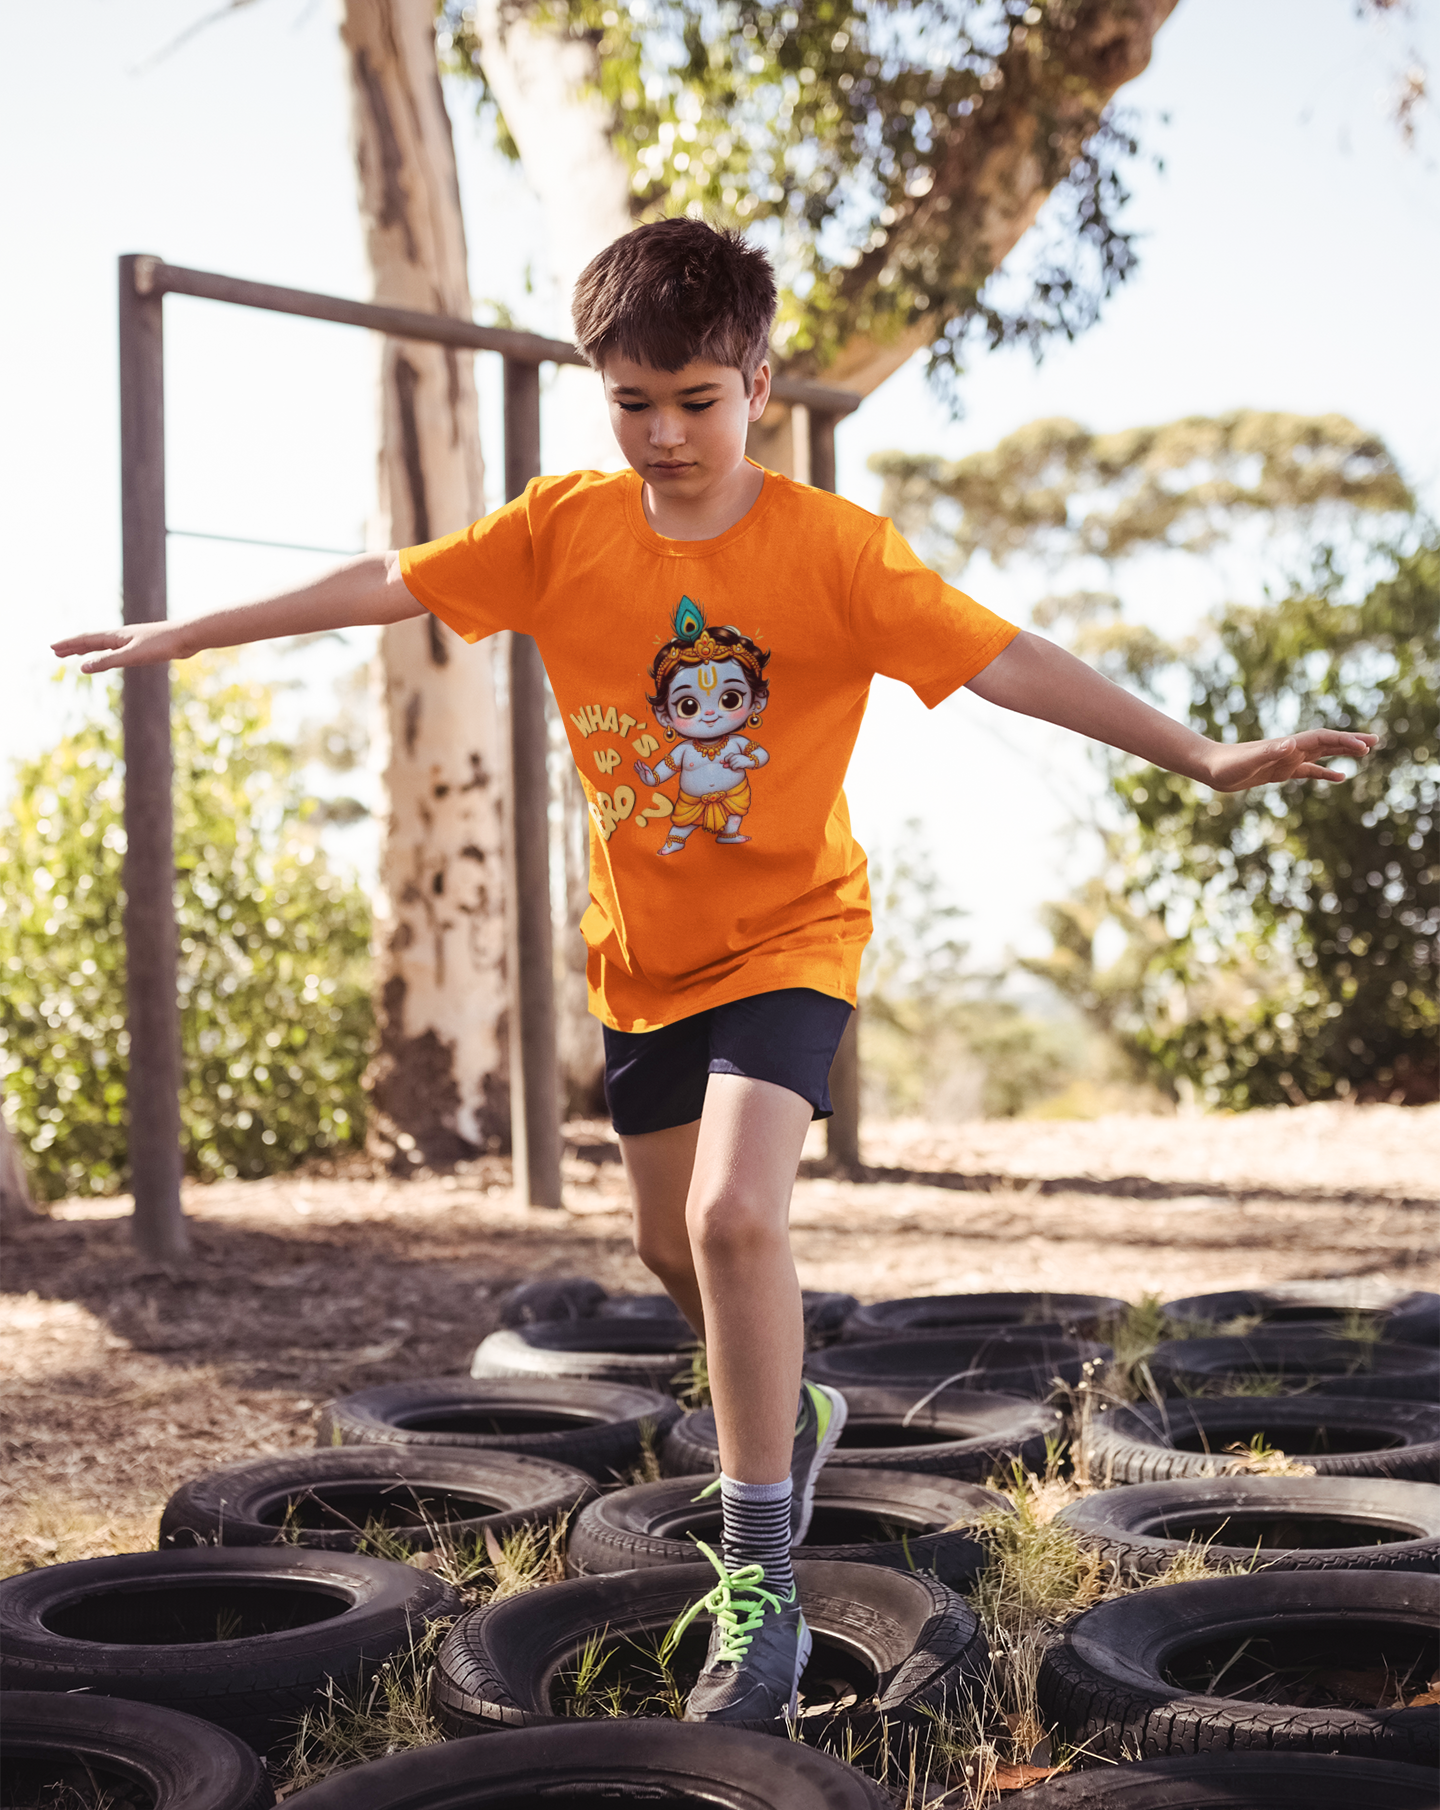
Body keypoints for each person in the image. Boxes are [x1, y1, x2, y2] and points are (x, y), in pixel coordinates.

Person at [53, 217, 1377, 1724]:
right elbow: (387, 577)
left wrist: (1202, 752)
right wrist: (187, 628)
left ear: (755, 381)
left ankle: (762, 1591)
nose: (666, 432)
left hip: (791, 936)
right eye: (634, 401)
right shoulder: (561, 530)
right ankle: (792, 1406)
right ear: (598, 390)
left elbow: (1004, 655)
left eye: (697, 397)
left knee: (737, 1216)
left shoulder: (831, 552)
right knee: (674, 1254)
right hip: (644, 964)